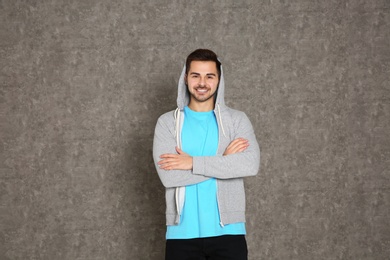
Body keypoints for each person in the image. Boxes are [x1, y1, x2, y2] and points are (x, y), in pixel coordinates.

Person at [153, 49, 260, 260]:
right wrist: (224, 162)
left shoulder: (237, 121)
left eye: (209, 76)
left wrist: (190, 162)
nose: (202, 82)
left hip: (228, 233)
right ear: (186, 78)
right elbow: (169, 176)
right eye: (196, 75)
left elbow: (249, 164)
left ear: (219, 79)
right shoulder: (167, 123)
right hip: (181, 234)